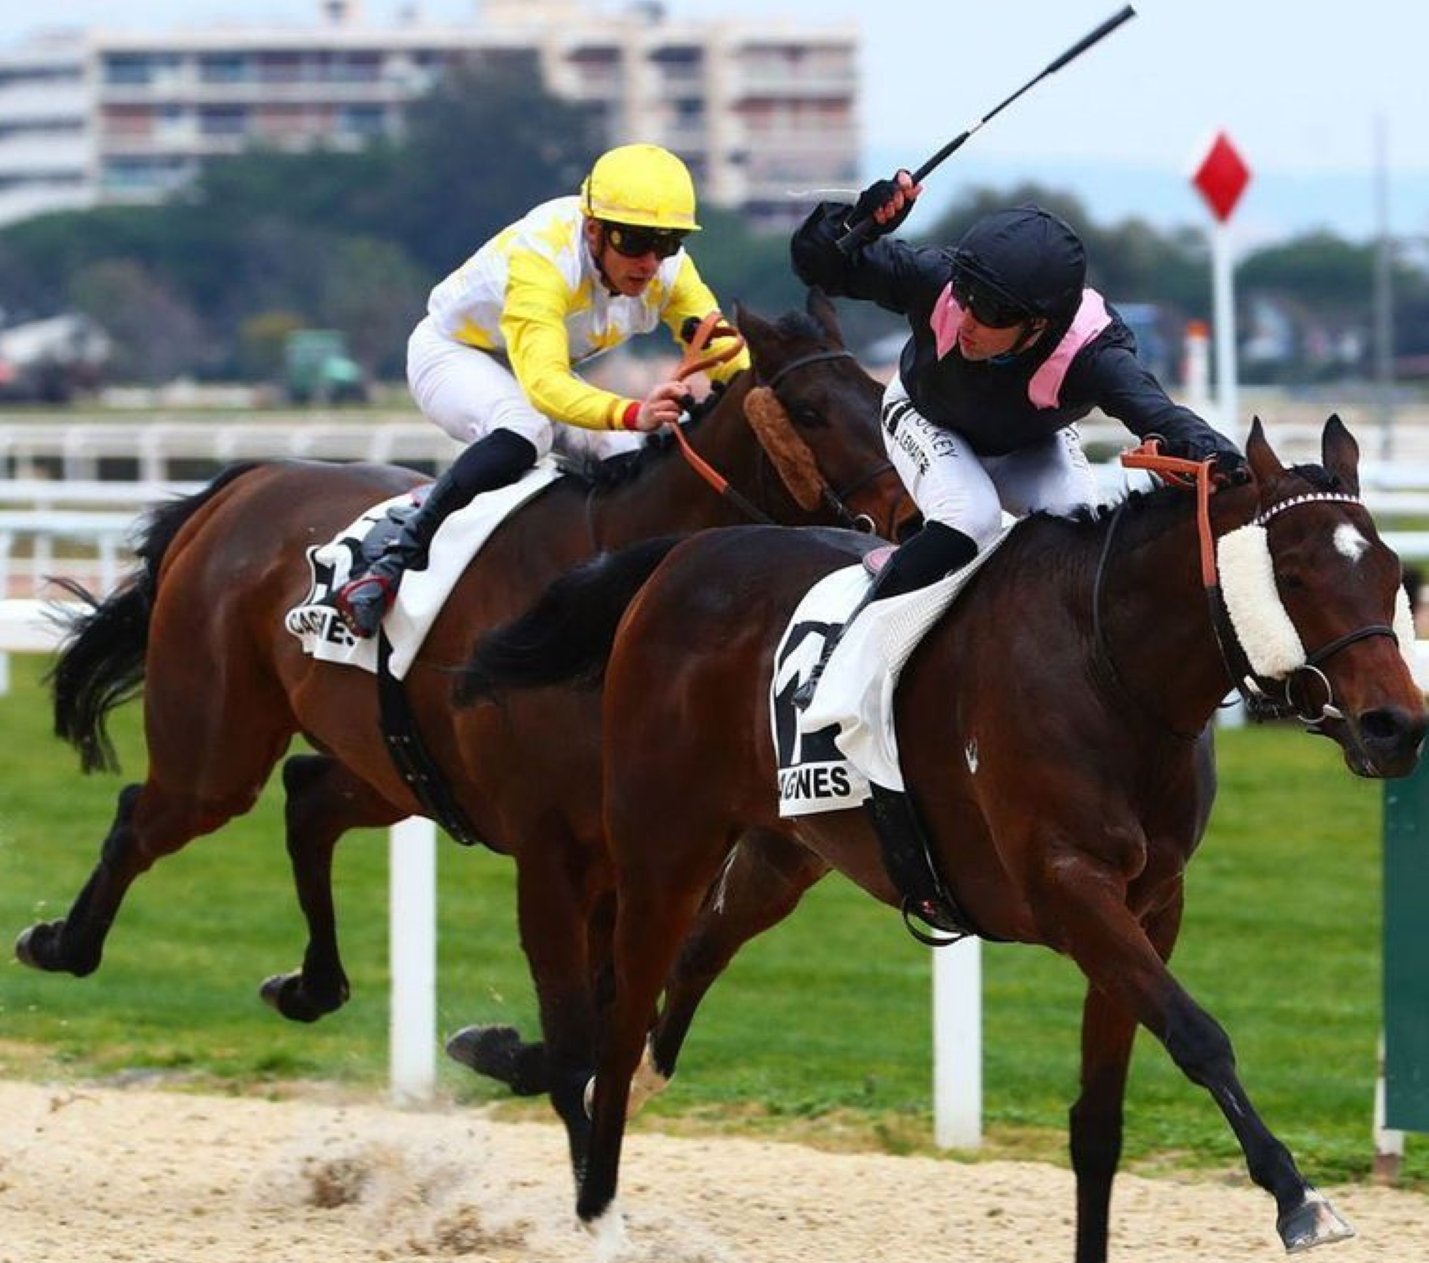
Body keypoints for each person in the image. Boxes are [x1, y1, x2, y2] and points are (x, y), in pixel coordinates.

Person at [788, 171, 1247, 935]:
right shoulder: (939, 282)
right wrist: (858, 220)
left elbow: (1158, 413)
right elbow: (819, 263)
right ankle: (843, 660)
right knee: (965, 517)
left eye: (992, 315)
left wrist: (1215, 456)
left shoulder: (1096, 352)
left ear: (1039, 326)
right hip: (926, 421)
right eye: (967, 298)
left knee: (1081, 531)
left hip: (1027, 441)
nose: (966, 320)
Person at [334, 142, 750, 638]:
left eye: (668, 243)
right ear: (594, 230)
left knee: (634, 460)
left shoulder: (669, 273)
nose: (650, 263)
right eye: (635, 242)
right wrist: (633, 410)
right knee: (525, 429)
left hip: (536, 367)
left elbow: (728, 356)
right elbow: (544, 386)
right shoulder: (544, 256)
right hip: (456, 354)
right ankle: (391, 559)